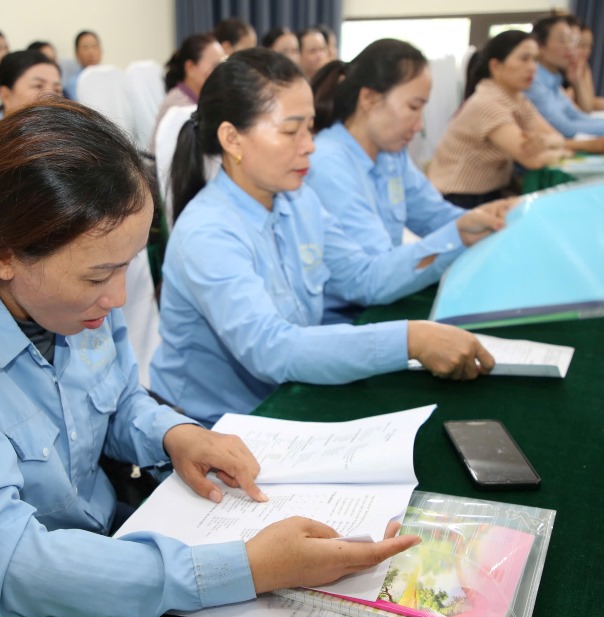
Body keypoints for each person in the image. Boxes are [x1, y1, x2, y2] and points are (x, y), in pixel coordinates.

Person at [0, 98, 421, 617]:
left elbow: (118, 401)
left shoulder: (73, 299)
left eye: (128, 265)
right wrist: (247, 568)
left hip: (105, 546)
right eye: (98, 276)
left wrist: (172, 434)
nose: (117, 297)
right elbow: (3, 564)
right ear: (5, 257)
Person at [150, 49, 495, 428]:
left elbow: (364, 278)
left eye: (310, 128)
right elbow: (272, 349)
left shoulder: (299, 201)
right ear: (232, 139)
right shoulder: (208, 232)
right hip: (215, 426)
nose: (309, 145)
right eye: (290, 131)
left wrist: (458, 235)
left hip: (287, 398)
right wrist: (408, 339)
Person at [306, 38, 509, 328]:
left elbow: (435, 216)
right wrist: (458, 235)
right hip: (347, 322)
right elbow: (369, 279)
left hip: (384, 298)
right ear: (369, 100)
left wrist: (491, 219)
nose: (419, 125)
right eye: (414, 107)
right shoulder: (327, 165)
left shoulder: (391, 154)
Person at [427, 31, 570, 208]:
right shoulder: (486, 103)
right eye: (524, 59)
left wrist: (545, 142)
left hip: (489, 192)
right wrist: (559, 150)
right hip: (458, 197)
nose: (532, 67)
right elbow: (532, 160)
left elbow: (557, 138)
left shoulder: (518, 99)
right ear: (496, 66)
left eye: (535, 60)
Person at [524, 16, 604, 138]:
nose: (569, 47)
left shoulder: (554, 79)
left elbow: (576, 115)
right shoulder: (533, 81)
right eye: (562, 41)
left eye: (570, 41)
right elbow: (563, 128)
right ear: (540, 47)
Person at [149, 33, 224, 152]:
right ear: (190, 68)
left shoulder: (200, 99)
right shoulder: (178, 106)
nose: (222, 72)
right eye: (216, 66)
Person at [0, 50, 62, 136]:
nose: (50, 96)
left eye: (57, 90)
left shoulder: (64, 133)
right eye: (38, 86)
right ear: (6, 96)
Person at [63, 30, 101, 100]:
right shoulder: (74, 83)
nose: (91, 52)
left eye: (95, 46)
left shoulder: (108, 77)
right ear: (77, 53)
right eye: (85, 48)